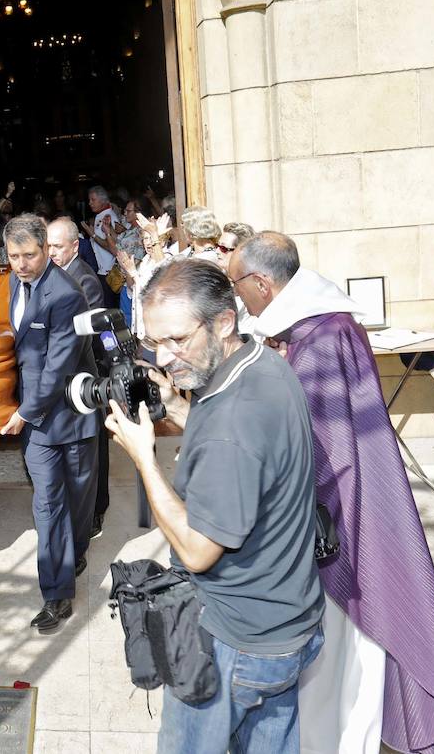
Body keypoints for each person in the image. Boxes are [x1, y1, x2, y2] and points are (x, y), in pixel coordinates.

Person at [231, 233, 434, 753]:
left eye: (238, 285)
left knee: (354, 630)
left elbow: (326, 443)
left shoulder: (320, 336)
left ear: (262, 282)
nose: (239, 298)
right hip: (349, 487)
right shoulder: (310, 326)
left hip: (341, 503)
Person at [105, 259, 324, 753]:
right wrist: (181, 408)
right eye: (155, 342)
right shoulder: (260, 365)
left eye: (177, 340)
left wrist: (144, 459)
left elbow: (199, 550)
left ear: (224, 321)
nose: (163, 358)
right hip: (286, 622)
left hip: (236, 641)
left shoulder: (232, 425)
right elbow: (249, 452)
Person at [0, 214, 98, 633]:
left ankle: (71, 554)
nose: (20, 264)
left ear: (46, 250)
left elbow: (58, 365)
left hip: (70, 417)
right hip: (39, 423)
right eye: (13, 256)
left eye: (29, 255)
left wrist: (22, 412)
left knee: (76, 501)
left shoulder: (66, 294)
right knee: (48, 504)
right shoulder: (12, 283)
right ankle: (57, 594)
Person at [46, 216, 109, 538]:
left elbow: (88, 334)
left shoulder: (85, 280)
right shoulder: (53, 275)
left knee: (93, 448)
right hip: (64, 377)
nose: (51, 252)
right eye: (48, 246)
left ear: (74, 246)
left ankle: (96, 510)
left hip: (84, 377)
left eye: (57, 246)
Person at [86, 185, 121, 281]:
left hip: (108, 271)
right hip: (100, 269)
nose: (90, 203)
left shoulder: (110, 217)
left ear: (102, 200)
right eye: (89, 200)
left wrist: (92, 234)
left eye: (93, 200)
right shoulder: (100, 215)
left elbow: (114, 247)